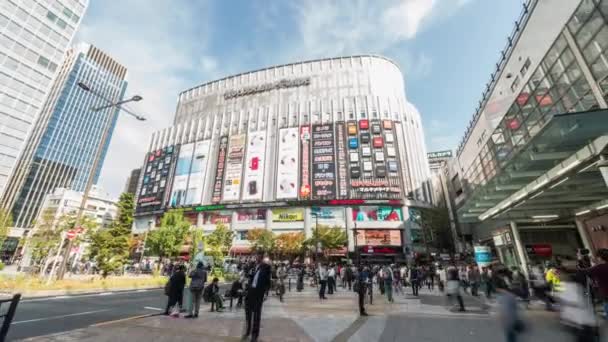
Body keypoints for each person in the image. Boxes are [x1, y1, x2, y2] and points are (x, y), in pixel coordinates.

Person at [243, 253, 272, 342]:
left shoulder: (266, 267)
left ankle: (254, 335)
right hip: (251, 291)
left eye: (258, 256)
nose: (256, 258)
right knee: (248, 310)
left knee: (256, 314)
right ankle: (248, 330)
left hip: (259, 293)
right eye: (256, 256)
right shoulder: (255, 266)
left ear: (262, 258)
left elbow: (268, 282)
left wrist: (266, 293)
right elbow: (253, 278)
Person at [495, 277, 524, 342]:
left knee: (511, 338)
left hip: (510, 322)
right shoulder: (509, 296)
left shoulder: (504, 297)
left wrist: (503, 320)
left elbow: (505, 311)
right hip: (512, 321)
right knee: (512, 338)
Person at [584, 248, 608, 318]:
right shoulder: (599, 267)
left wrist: (580, 259)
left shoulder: (597, 268)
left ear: (599, 257)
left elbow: (585, 272)